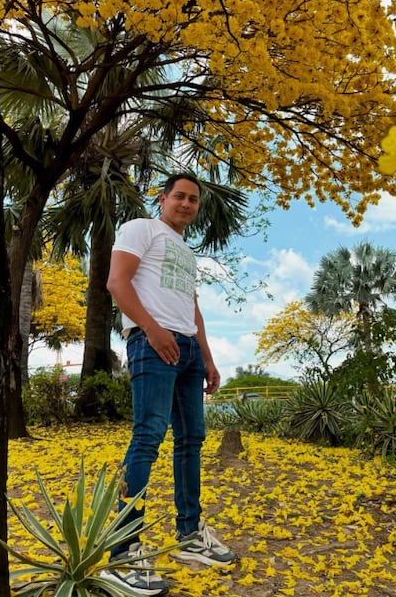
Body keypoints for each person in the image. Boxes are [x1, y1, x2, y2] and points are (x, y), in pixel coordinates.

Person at [103, 173, 236, 596]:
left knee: (191, 439)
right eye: (179, 196)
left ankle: (189, 534)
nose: (186, 204)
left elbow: (191, 309)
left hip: (187, 352)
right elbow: (117, 282)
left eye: (193, 199)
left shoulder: (185, 251)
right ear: (162, 199)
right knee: (147, 438)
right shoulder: (142, 228)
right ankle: (123, 552)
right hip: (151, 343)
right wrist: (151, 329)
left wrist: (208, 358)